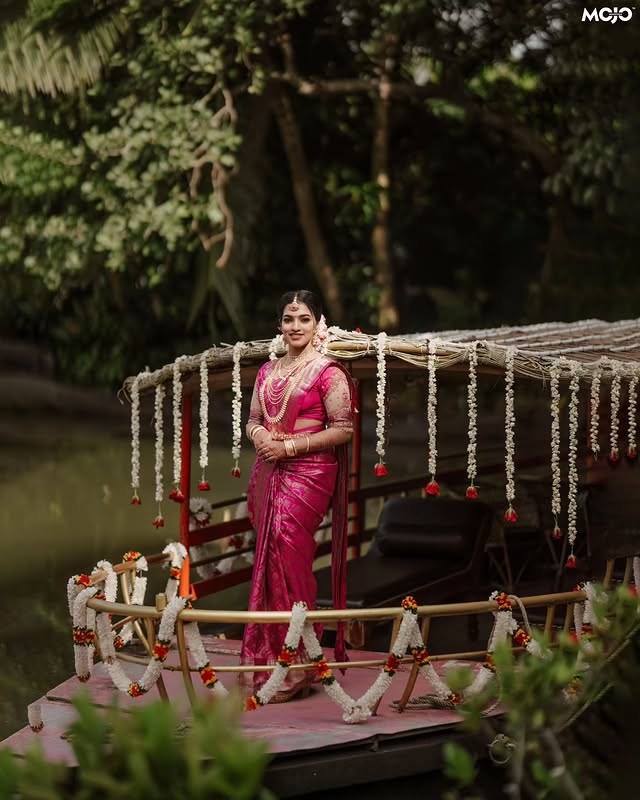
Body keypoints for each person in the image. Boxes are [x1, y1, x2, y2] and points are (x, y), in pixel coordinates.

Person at [240, 290, 354, 702]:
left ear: (317, 323)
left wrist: (288, 447)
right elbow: (253, 419)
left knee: (290, 554)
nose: (295, 327)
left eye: (303, 319)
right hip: (268, 471)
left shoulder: (328, 372)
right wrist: (262, 438)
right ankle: (267, 660)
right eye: (288, 319)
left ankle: (298, 665)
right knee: (269, 556)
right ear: (279, 325)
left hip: (307, 473)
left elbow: (343, 429)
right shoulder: (268, 371)